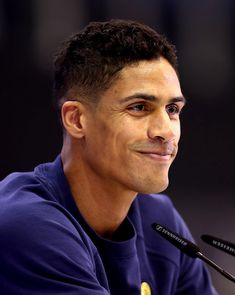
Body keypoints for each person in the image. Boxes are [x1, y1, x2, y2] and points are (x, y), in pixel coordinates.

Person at [0, 19, 218, 295]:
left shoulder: (160, 223)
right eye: (139, 107)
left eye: (173, 109)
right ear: (77, 119)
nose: (166, 131)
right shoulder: (26, 225)